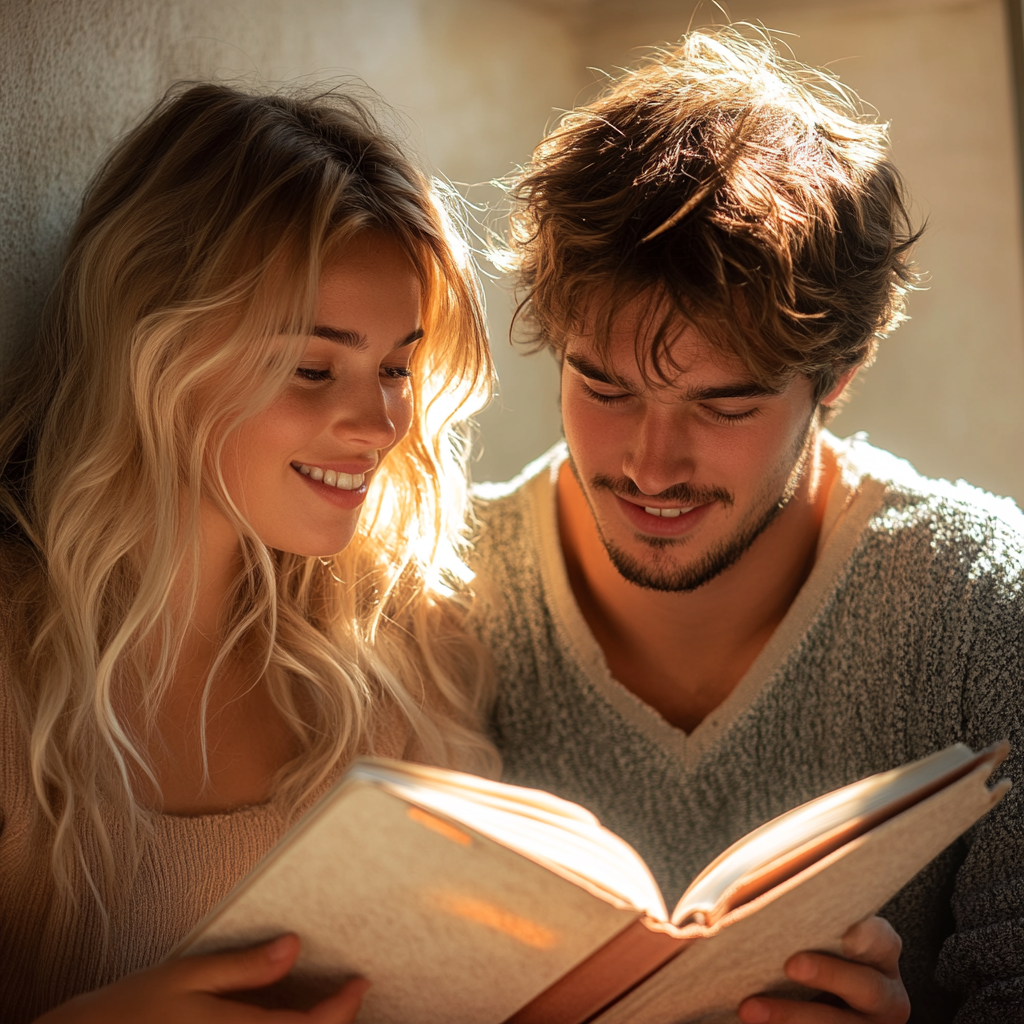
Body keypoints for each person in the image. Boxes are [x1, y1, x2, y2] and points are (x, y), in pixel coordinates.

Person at [471, 26, 1024, 1024]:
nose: (650, 463)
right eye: (602, 385)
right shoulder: (444, 590)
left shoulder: (985, 607)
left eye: (723, 407)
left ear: (837, 379)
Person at [0, 83, 499, 1023]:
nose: (385, 422)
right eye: (314, 368)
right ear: (155, 351)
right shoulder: (11, 675)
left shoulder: (399, 661)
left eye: (397, 367)